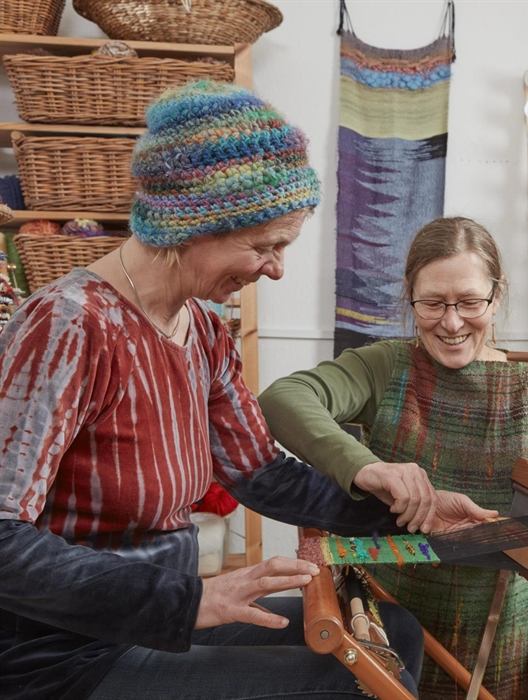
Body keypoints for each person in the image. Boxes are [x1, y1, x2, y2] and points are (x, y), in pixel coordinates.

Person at [0, 81, 499, 700]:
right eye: (266, 246)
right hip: (65, 652)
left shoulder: (204, 331)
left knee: (393, 633)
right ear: (192, 226)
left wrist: (407, 514)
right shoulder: (68, 325)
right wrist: (192, 599)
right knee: (352, 683)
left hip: (159, 621)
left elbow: (262, 475)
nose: (277, 269)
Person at [259, 217, 528, 700]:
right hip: (385, 620)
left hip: (497, 628)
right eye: (432, 303)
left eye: (470, 302)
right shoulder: (386, 366)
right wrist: (368, 468)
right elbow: (283, 399)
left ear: (496, 296)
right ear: (410, 297)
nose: (451, 322)